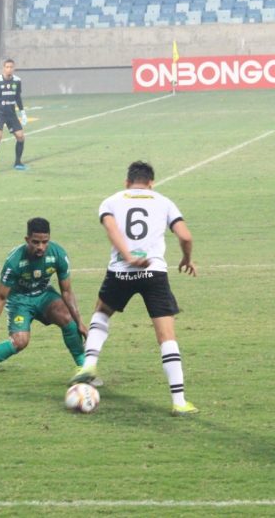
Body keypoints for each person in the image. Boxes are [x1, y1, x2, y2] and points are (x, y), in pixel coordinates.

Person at [69, 161, 199, 416]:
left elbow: (111, 228)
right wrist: (186, 258)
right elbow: (185, 236)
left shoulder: (111, 201)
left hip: (120, 272)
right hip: (154, 273)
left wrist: (127, 256)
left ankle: (90, 364)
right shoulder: (164, 201)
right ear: (151, 182)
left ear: (127, 182)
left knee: (102, 312)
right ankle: (179, 401)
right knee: (166, 336)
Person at [0, 217, 89, 392]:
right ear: (27, 240)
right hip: (19, 300)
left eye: (45, 242)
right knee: (19, 342)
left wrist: (79, 321)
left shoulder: (58, 254)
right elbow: (1, 297)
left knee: (68, 318)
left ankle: (83, 370)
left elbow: (66, 291)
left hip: (44, 296)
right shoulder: (14, 262)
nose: (41, 247)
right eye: (36, 242)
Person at [0, 58, 27, 173]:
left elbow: (18, 98)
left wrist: (23, 112)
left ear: (14, 68)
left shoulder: (17, 81)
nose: (9, 69)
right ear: (4, 68)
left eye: (11, 67)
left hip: (11, 114)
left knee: (20, 136)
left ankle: (18, 162)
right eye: (7, 67)